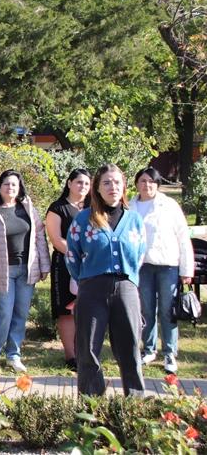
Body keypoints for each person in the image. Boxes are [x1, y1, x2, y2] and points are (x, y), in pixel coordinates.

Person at [66, 163, 147, 396]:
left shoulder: (134, 220)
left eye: (117, 182)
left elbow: (139, 255)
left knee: (130, 348)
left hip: (126, 288)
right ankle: (92, 407)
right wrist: (87, 278)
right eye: (107, 183)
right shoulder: (83, 220)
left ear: (124, 187)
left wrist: (127, 279)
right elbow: (72, 256)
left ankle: (134, 406)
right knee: (88, 349)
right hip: (92, 289)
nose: (113, 187)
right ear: (97, 189)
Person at [0, 169, 50, 373]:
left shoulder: (28, 209)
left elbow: (39, 238)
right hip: (1, 270)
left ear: (19, 188)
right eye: (6, 184)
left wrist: (44, 265)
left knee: (20, 313)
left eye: (14, 184)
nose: (10, 188)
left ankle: (13, 355)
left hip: (27, 269)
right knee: (3, 313)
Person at [129, 167, 194, 373]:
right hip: (142, 267)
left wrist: (186, 269)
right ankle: (148, 349)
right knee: (146, 310)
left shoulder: (169, 205)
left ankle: (169, 353)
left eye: (151, 181)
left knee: (167, 311)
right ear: (136, 183)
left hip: (167, 265)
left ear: (157, 184)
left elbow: (182, 237)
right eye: (142, 181)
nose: (146, 185)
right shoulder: (131, 206)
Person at [45, 169, 91, 371]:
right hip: (65, 263)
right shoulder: (58, 208)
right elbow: (56, 239)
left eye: (87, 184)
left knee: (87, 308)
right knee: (66, 310)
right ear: (69, 183)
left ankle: (86, 352)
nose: (83, 187)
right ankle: (70, 355)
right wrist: (77, 254)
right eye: (79, 182)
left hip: (91, 265)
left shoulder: (93, 207)